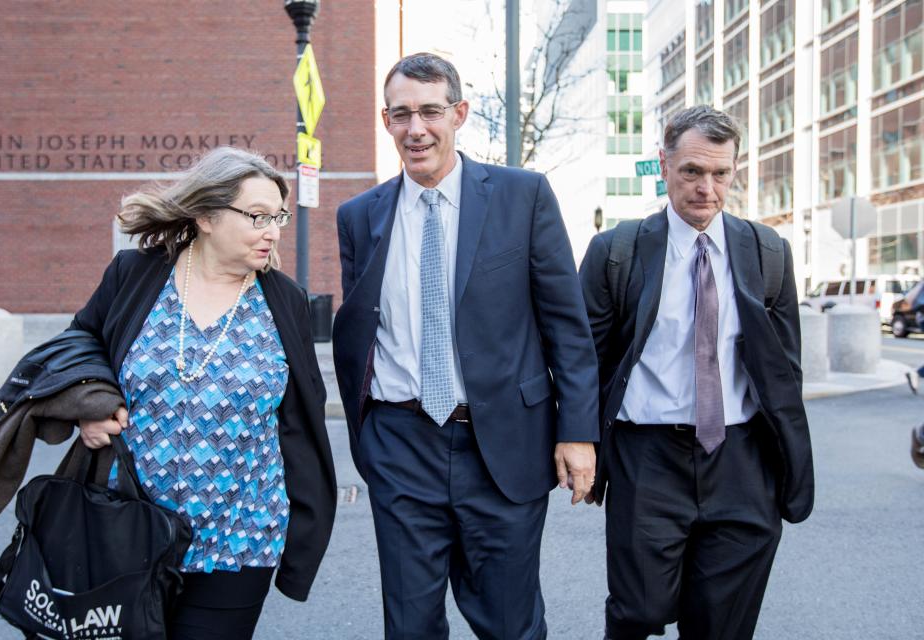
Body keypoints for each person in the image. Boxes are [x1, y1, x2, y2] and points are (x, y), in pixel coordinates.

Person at [332, 52, 598, 639]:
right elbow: (360, 333)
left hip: (500, 444)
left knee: (508, 623)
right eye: (401, 114)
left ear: (460, 113)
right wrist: (370, 435)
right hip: (401, 444)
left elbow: (566, 327)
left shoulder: (521, 196)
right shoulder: (359, 216)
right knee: (409, 626)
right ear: (385, 121)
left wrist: (577, 432)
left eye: (430, 111)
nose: (416, 128)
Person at [74, 146, 336, 639]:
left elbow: (303, 419)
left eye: (277, 216)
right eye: (257, 216)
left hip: (239, 540)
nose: (274, 231)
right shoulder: (134, 275)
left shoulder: (285, 302)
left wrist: (306, 526)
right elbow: (81, 343)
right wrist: (91, 402)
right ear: (206, 216)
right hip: (129, 527)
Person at [580, 106, 815, 640]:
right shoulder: (615, 252)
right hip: (649, 457)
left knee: (721, 626)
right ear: (664, 166)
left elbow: (786, 368)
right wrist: (580, 444)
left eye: (720, 173)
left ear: (734, 171)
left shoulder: (767, 251)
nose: (706, 188)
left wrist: (788, 460)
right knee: (637, 611)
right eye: (691, 171)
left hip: (741, 457)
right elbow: (583, 362)